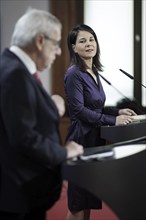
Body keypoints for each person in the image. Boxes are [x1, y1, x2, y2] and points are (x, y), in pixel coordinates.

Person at [0, 8, 84, 220]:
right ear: (39, 41)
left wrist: (49, 103)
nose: (58, 52)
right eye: (55, 44)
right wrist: (64, 152)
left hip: (22, 192)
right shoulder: (14, 74)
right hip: (17, 196)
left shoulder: (13, 67)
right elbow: (24, 137)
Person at [64, 24, 137, 220]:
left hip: (95, 138)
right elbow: (79, 111)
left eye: (91, 39)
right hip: (81, 140)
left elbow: (96, 107)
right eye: (82, 41)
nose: (89, 44)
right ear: (73, 47)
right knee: (77, 202)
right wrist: (114, 120)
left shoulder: (94, 71)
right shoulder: (74, 74)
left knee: (88, 196)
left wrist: (117, 111)